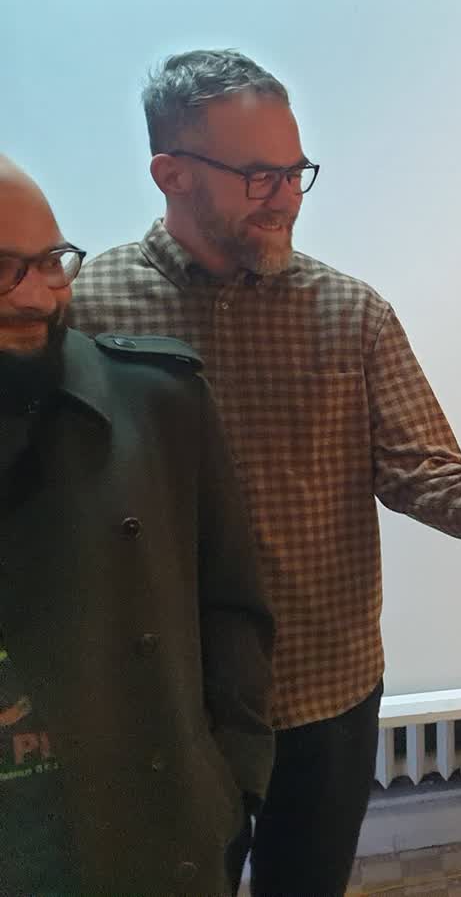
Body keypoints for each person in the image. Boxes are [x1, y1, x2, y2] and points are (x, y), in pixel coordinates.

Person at [70, 49, 461, 895]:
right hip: (166, 699)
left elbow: (423, 472)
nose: (285, 197)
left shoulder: (348, 312)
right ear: (172, 174)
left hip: (326, 689)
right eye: (258, 175)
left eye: (295, 172)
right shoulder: (86, 310)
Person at [0, 154, 274, 894]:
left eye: (51, 261)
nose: (37, 296)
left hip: (152, 840)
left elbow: (232, 607)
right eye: (2, 269)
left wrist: (233, 783)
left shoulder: (158, 400)